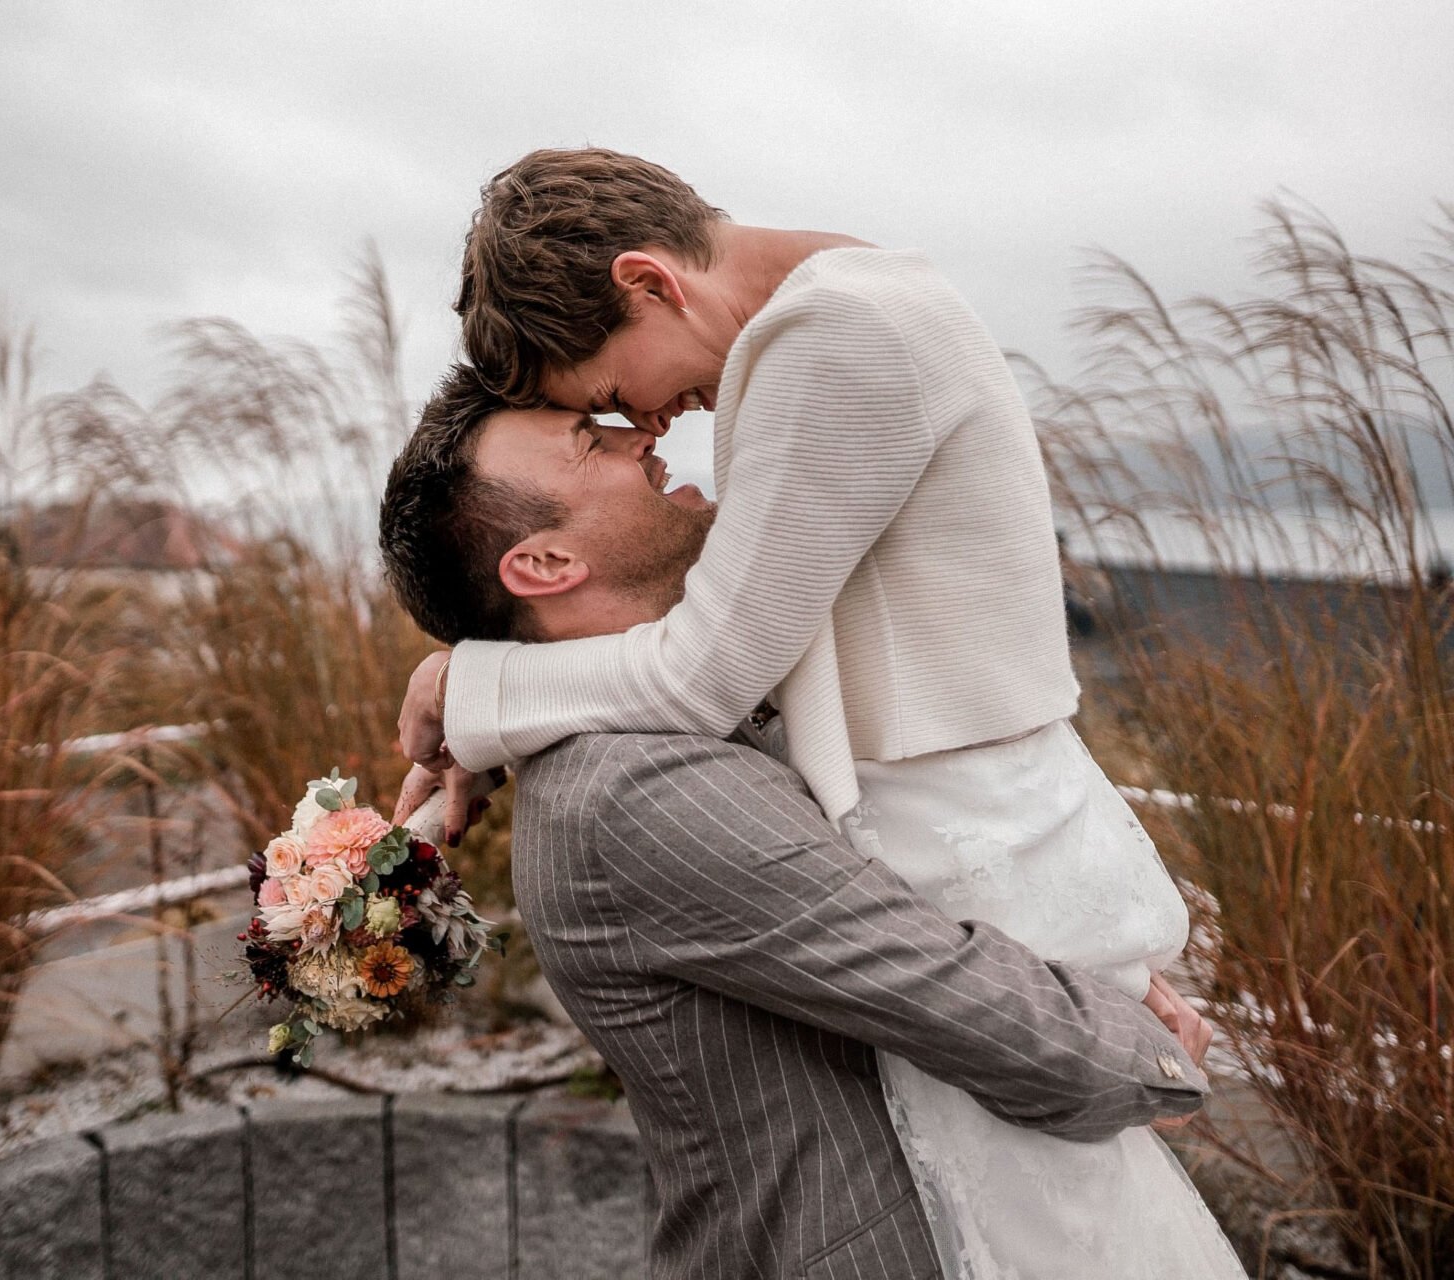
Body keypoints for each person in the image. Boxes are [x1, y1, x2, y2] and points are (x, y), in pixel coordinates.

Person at [393, 149, 1246, 1278]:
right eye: (604, 419)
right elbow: (739, 663)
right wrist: (486, 722)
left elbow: (704, 676)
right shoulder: (831, 323)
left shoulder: (834, 336)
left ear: (650, 284)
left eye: (610, 391)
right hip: (943, 852)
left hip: (955, 843)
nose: (645, 421)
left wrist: (476, 687)